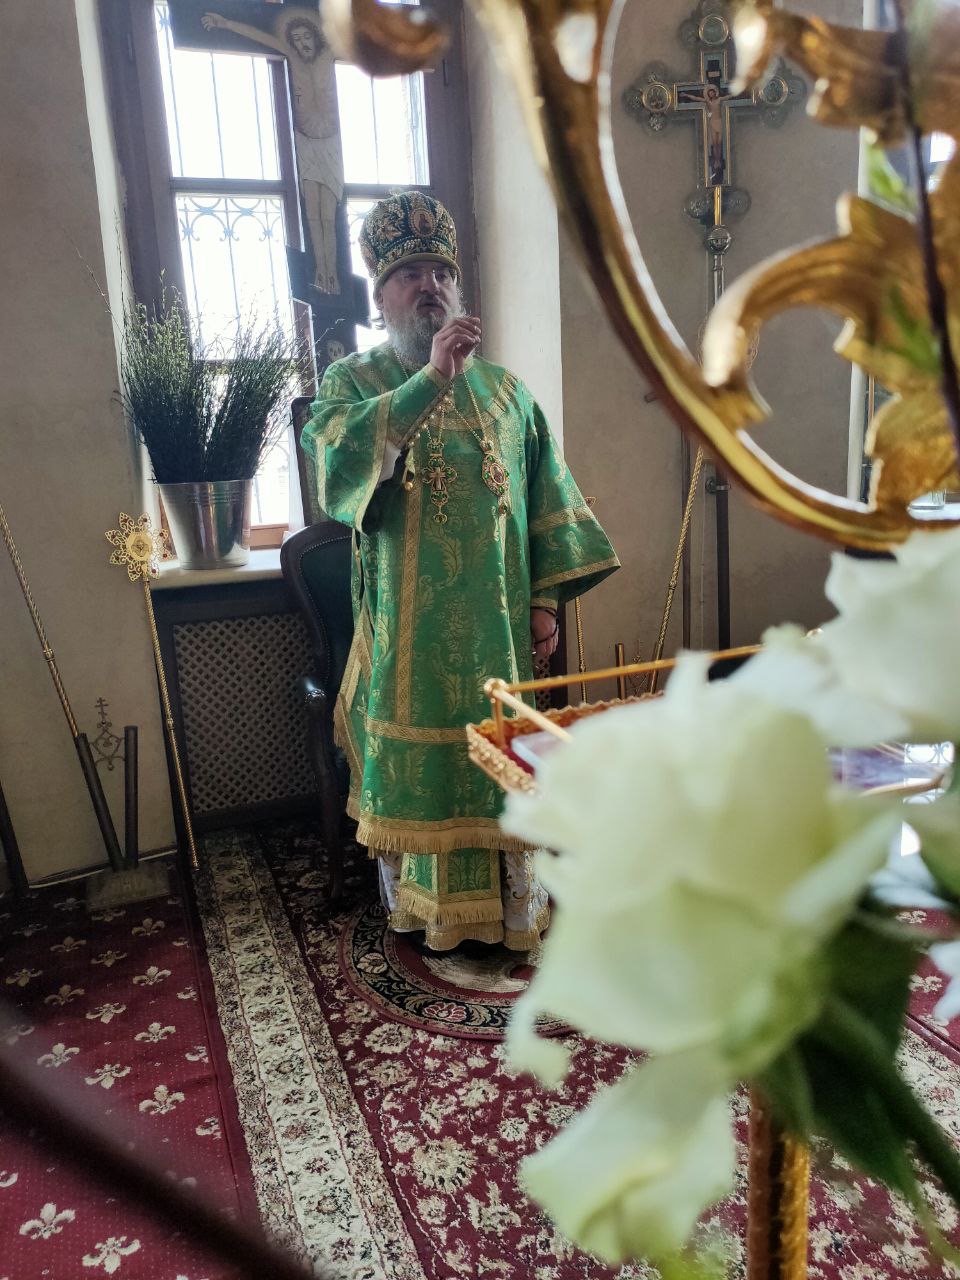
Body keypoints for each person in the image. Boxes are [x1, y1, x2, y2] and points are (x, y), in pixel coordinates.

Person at [301, 191, 619, 951]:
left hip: (499, 632)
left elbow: (549, 503)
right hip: (409, 641)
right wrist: (431, 377)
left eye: (441, 271)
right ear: (380, 295)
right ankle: (430, 913)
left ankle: (512, 912)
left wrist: (545, 604)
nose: (430, 286)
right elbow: (339, 472)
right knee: (433, 761)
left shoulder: (507, 392)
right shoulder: (353, 381)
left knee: (501, 756)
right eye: (410, 273)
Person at [201, 9, 343, 293]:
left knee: (328, 214)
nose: (302, 43)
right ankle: (320, 271)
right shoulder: (291, 57)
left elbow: (359, 38)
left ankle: (334, 275)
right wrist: (226, 22)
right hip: (305, 142)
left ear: (316, 37)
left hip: (330, 144)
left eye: (306, 37)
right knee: (312, 212)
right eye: (297, 38)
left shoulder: (329, 55)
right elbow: (260, 35)